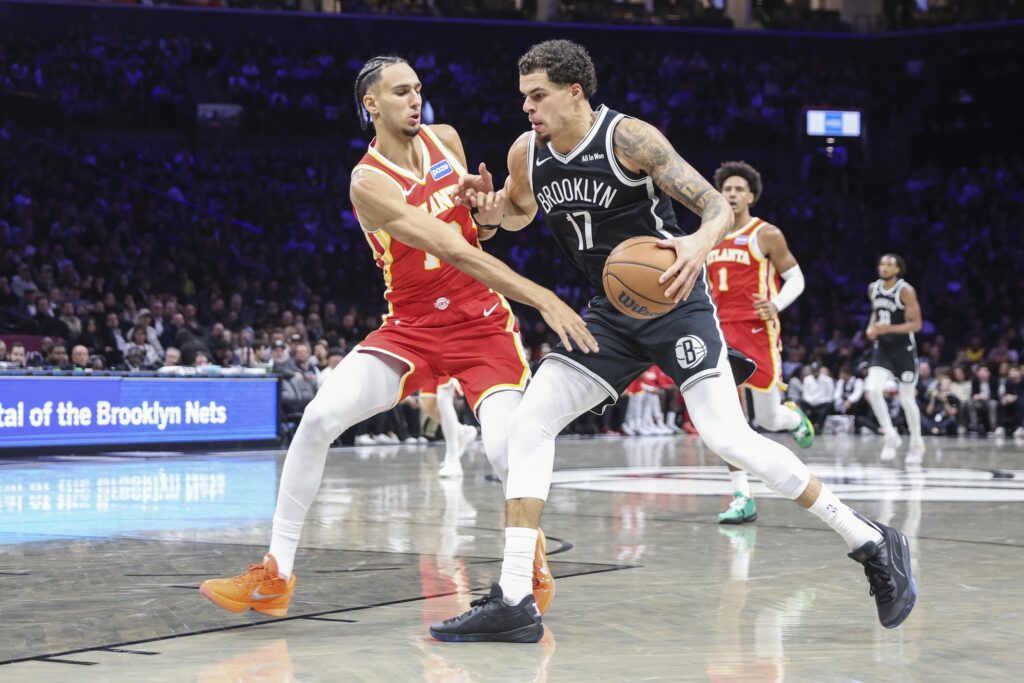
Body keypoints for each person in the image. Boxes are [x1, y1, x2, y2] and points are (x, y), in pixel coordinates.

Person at [432, 40, 915, 642]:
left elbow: (712, 204)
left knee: (726, 436)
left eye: (539, 95)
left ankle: (871, 541)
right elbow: (517, 212)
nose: (527, 106)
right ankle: (513, 598)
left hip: (674, 302)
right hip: (609, 312)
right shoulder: (527, 152)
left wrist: (696, 243)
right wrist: (486, 209)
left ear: (575, 91)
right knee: (531, 423)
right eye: (524, 96)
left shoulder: (630, 139)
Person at [198, 55, 596, 619]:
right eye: (401, 91)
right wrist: (544, 296)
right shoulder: (368, 181)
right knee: (316, 419)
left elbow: (481, 234)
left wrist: (484, 211)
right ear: (372, 104)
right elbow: (452, 249)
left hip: (479, 322)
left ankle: (528, 557)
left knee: (509, 448)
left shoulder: (447, 140)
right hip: (410, 327)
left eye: (418, 89)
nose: (415, 99)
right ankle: (276, 573)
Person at [706, 160, 815, 524]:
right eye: (727, 189)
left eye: (739, 189)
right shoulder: (708, 233)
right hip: (718, 331)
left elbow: (796, 278)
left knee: (767, 418)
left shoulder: (765, 234)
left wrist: (776, 303)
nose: (732, 194)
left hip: (756, 330)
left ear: (751, 196)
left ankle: (791, 417)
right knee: (728, 421)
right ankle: (742, 495)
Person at [864, 254, 925, 461]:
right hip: (884, 349)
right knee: (872, 389)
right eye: (882, 263)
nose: (884, 267)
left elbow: (916, 325)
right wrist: (871, 328)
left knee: (907, 400)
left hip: (904, 350)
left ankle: (917, 443)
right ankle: (890, 435)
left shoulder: (905, 290)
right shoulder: (873, 288)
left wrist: (886, 328)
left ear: (898, 269)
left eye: (890, 265)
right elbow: (876, 312)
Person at [421, 376, 478, 477]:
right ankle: (462, 432)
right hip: (432, 359)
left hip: (452, 360)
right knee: (428, 404)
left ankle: (452, 459)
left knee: (443, 398)